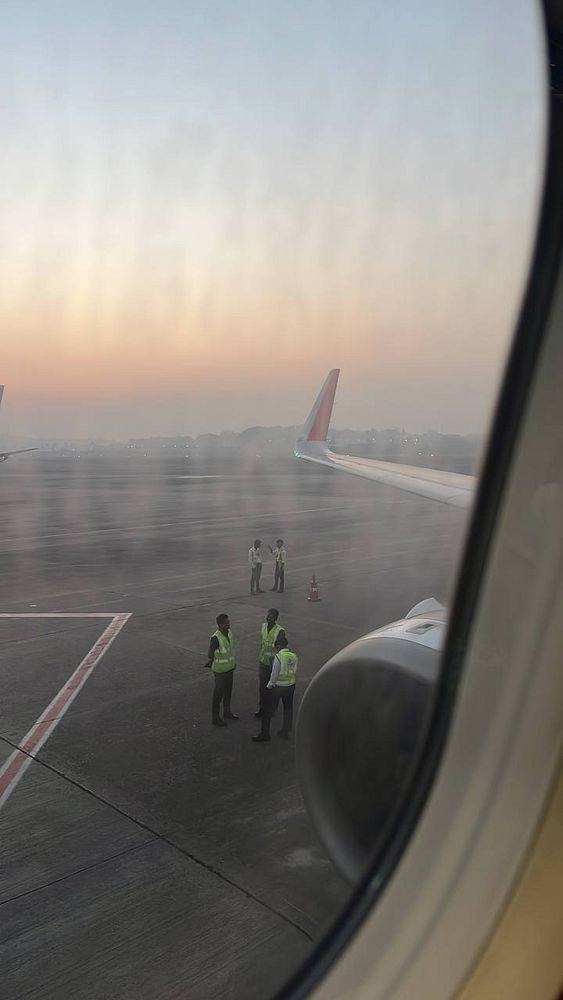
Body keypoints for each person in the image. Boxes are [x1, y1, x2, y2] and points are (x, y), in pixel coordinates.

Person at [252, 634, 297, 742]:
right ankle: (285, 731)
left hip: (278, 687)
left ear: (278, 646)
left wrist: (269, 686)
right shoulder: (293, 656)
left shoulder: (278, 657)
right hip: (290, 686)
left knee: (267, 710)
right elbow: (294, 671)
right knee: (288, 709)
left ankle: (265, 734)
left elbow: (274, 674)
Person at [204, 613, 238, 727]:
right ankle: (215, 717)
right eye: (226, 623)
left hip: (229, 669)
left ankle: (227, 712)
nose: (229, 624)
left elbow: (230, 650)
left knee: (228, 692)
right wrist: (214, 658)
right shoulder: (216, 638)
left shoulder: (229, 633)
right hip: (220, 671)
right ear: (220, 624)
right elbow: (210, 654)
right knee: (218, 694)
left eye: (229, 622)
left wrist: (233, 663)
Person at [255, 608, 285, 718]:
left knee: (273, 688)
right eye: (267, 616)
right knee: (262, 688)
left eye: (271, 616)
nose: (268, 618)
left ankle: (272, 709)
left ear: (276, 618)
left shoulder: (280, 631)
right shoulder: (263, 627)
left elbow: (281, 648)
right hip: (263, 662)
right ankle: (262, 708)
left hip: (274, 665)